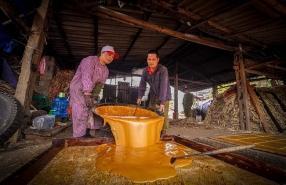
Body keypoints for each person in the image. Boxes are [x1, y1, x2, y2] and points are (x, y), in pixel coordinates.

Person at [69, 45, 119, 138]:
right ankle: (79, 136)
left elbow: (99, 85)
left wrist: (93, 96)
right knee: (81, 110)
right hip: (78, 88)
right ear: (102, 53)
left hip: (90, 91)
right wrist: (87, 93)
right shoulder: (89, 60)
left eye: (112, 57)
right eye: (108, 55)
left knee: (92, 110)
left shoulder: (105, 70)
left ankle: (87, 133)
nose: (110, 58)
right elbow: (86, 76)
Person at [137, 50, 171, 139]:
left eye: (153, 59)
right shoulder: (145, 71)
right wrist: (140, 96)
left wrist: (162, 102)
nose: (151, 62)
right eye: (149, 59)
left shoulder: (163, 70)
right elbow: (142, 84)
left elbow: (164, 86)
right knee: (150, 112)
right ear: (147, 60)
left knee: (163, 114)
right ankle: (152, 130)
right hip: (152, 95)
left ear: (158, 60)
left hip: (164, 95)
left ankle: (163, 133)